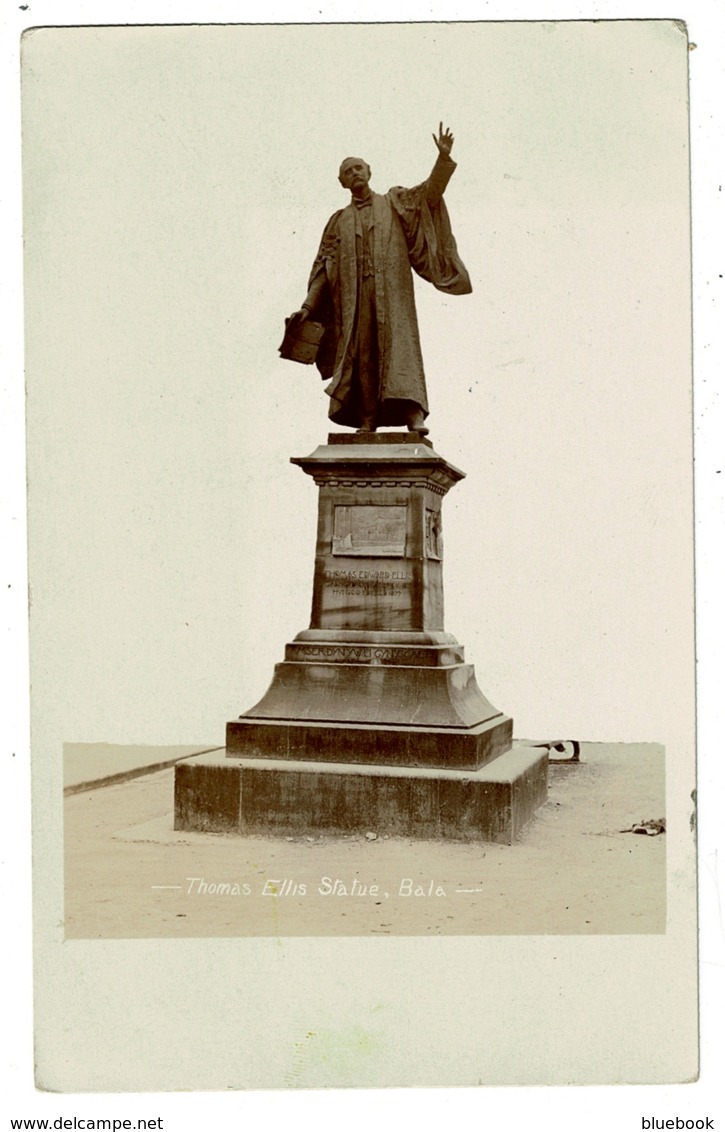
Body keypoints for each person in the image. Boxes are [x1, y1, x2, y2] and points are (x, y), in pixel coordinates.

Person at [289, 124, 472, 435]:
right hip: (355, 299)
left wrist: (442, 161)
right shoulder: (338, 222)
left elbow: (429, 195)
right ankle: (367, 417)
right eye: (348, 171)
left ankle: (414, 414)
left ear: (370, 172)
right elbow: (324, 268)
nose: (355, 173)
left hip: (393, 294)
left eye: (359, 167)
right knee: (362, 354)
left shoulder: (395, 202)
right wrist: (307, 308)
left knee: (400, 349)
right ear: (342, 181)